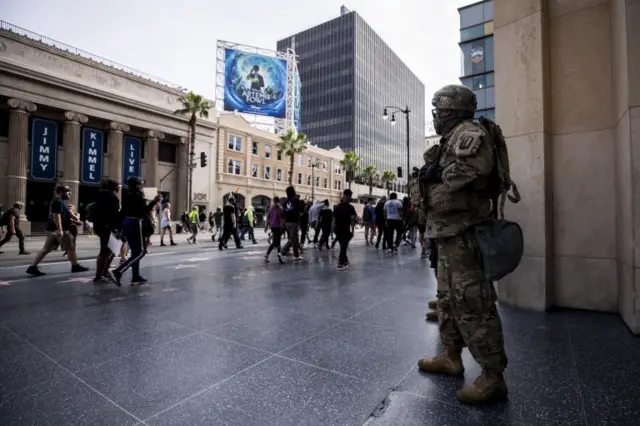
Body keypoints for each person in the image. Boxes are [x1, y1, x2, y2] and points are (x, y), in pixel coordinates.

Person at [416, 84, 508, 405]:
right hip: (446, 231)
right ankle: (451, 356)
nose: (436, 116)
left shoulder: (469, 133)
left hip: (466, 231)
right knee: (446, 299)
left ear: (452, 110)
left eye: (439, 110)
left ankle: (493, 377)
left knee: (473, 301)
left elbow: (472, 169)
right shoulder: (448, 139)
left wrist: (436, 172)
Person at [108, 177, 161, 286]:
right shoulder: (138, 196)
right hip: (135, 223)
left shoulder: (127, 195)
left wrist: (120, 227)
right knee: (140, 252)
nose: (141, 187)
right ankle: (118, 271)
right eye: (140, 185)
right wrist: (154, 202)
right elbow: (144, 211)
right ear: (137, 186)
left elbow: (122, 212)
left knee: (135, 251)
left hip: (127, 223)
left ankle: (135, 276)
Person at [27, 186, 89, 276]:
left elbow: (65, 216)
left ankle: (32, 267)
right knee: (70, 248)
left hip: (52, 229)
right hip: (58, 230)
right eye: (68, 191)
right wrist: (60, 230)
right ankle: (75, 266)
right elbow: (57, 216)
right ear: (60, 192)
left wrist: (75, 221)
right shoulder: (57, 202)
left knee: (46, 249)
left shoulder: (60, 202)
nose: (70, 193)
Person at [93, 179, 121, 283]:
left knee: (109, 250)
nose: (118, 188)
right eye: (117, 186)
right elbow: (114, 215)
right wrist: (117, 228)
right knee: (106, 251)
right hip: (108, 227)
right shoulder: (113, 197)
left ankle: (103, 273)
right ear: (114, 187)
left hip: (99, 226)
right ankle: (100, 275)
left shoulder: (100, 195)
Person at [333, 189, 357, 270]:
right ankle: (340, 263)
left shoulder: (337, 207)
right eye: (350, 196)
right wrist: (353, 230)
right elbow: (353, 220)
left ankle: (345, 260)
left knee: (342, 245)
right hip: (346, 229)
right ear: (349, 196)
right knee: (343, 246)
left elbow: (333, 220)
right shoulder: (350, 207)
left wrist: (332, 231)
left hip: (337, 229)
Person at [278, 186, 303, 262]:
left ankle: (296, 255)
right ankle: (282, 252)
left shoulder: (286, 201)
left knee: (294, 238)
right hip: (294, 222)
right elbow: (300, 209)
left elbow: (284, 212)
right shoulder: (295, 199)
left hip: (287, 222)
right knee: (292, 239)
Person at [264, 196, 284, 263]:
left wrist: (266, 227)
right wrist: (283, 225)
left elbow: (268, 217)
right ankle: (276, 256)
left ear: (273, 200)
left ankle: (277, 256)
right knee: (276, 242)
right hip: (278, 227)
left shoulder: (271, 208)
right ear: (279, 201)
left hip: (272, 227)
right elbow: (281, 218)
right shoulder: (280, 208)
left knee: (277, 242)